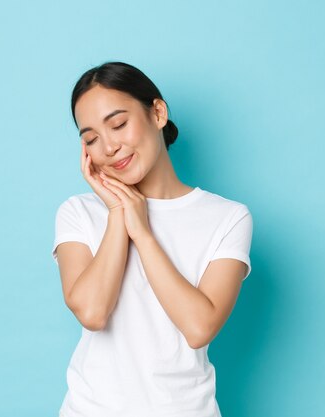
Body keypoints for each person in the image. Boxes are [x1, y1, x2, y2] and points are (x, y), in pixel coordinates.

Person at [51, 61, 253, 417]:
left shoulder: (227, 217)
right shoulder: (78, 212)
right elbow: (93, 312)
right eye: (92, 139)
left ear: (157, 112)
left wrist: (142, 231)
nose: (109, 147)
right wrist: (118, 213)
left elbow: (198, 327)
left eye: (118, 124)